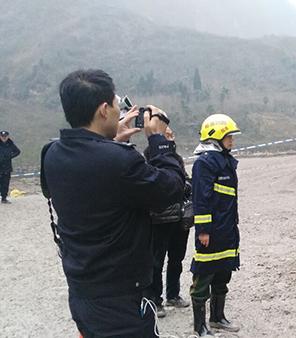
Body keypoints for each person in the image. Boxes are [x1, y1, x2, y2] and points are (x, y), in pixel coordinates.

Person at [42, 69, 185, 337]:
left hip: (82, 289)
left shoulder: (51, 153)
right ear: (104, 109)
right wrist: (159, 142)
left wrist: (108, 142)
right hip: (121, 298)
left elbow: (87, 178)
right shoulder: (119, 161)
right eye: (118, 106)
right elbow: (172, 189)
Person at [190, 114, 242, 336]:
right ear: (216, 137)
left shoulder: (224, 160)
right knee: (204, 277)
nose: (232, 140)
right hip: (210, 233)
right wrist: (203, 230)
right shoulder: (204, 163)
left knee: (223, 273)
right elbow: (201, 199)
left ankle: (217, 318)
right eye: (229, 136)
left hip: (227, 230)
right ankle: (199, 327)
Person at [144, 126, 192, 318]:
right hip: (160, 218)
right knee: (156, 261)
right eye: (167, 133)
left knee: (177, 258)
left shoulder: (176, 157)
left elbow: (184, 178)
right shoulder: (151, 155)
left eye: (172, 133)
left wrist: (186, 184)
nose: (172, 135)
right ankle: (156, 300)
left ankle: (173, 294)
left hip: (180, 217)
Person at [0, 130, 20, 204]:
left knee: (5, 183)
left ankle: (4, 198)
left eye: (5, 136)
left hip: (7, 167)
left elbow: (18, 151)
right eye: (2, 136)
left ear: (8, 136)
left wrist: (10, 156)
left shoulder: (10, 144)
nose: (4, 138)